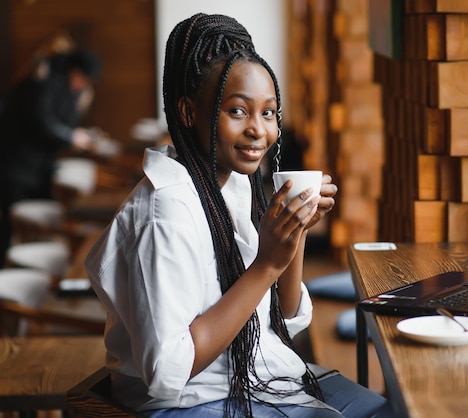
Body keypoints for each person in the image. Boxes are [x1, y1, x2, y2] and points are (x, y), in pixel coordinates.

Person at [85, 13, 396, 418]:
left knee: (391, 411)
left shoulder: (232, 184)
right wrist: (267, 264)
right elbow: (167, 371)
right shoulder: (165, 213)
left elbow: (284, 319)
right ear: (188, 111)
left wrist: (294, 234)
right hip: (195, 401)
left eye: (268, 113)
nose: (258, 130)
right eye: (237, 111)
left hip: (260, 376)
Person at [0, 47, 101, 265]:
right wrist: (71, 137)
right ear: (75, 72)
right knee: (9, 227)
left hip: (37, 168)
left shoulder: (63, 87)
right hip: (17, 166)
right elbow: (42, 124)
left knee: (30, 229)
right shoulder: (45, 82)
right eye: (83, 80)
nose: (83, 85)